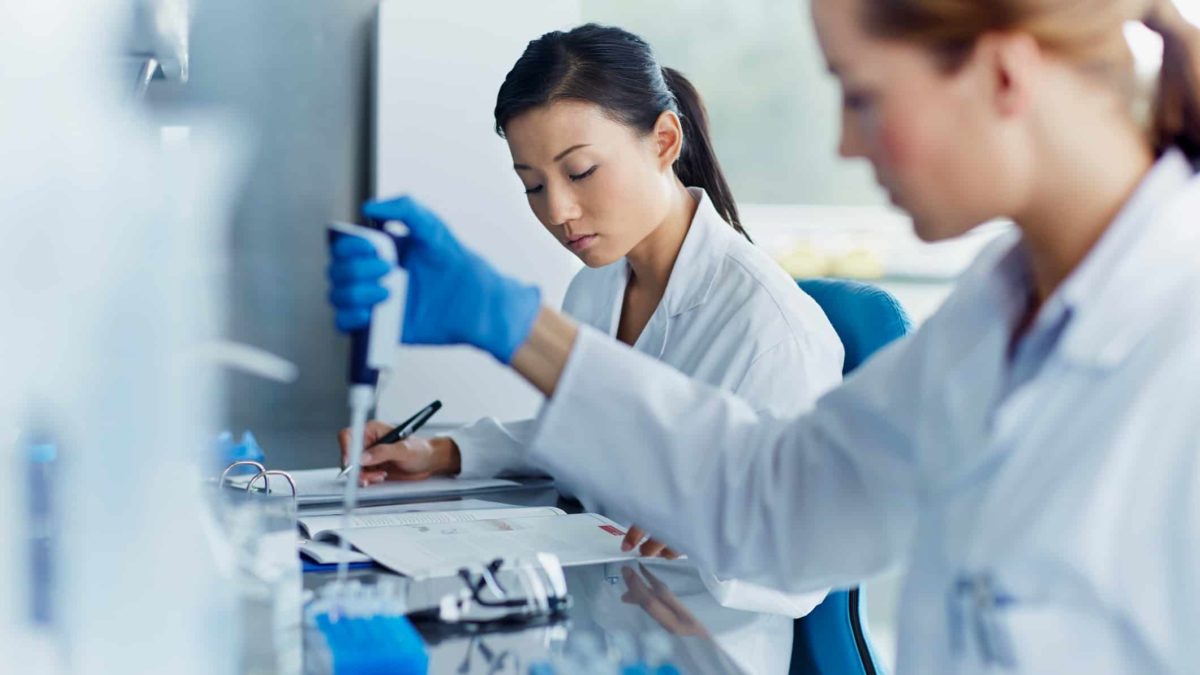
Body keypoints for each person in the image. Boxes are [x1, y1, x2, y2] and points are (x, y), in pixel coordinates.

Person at [328, 0, 1200, 671]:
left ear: (1004, 75)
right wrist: (515, 328)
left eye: (862, 96)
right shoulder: (990, 319)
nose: (846, 143)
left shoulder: (1176, 344)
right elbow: (776, 500)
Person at [333, 24, 843, 672]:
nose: (559, 210)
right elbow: (588, 426)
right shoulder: (596, 285)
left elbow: (799, 564)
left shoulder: (772, 328)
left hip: (703, 654)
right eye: (533, 184)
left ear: (664, 140)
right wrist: (443, 450)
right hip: (597, 631)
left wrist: (709, 516)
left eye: (580, 171)